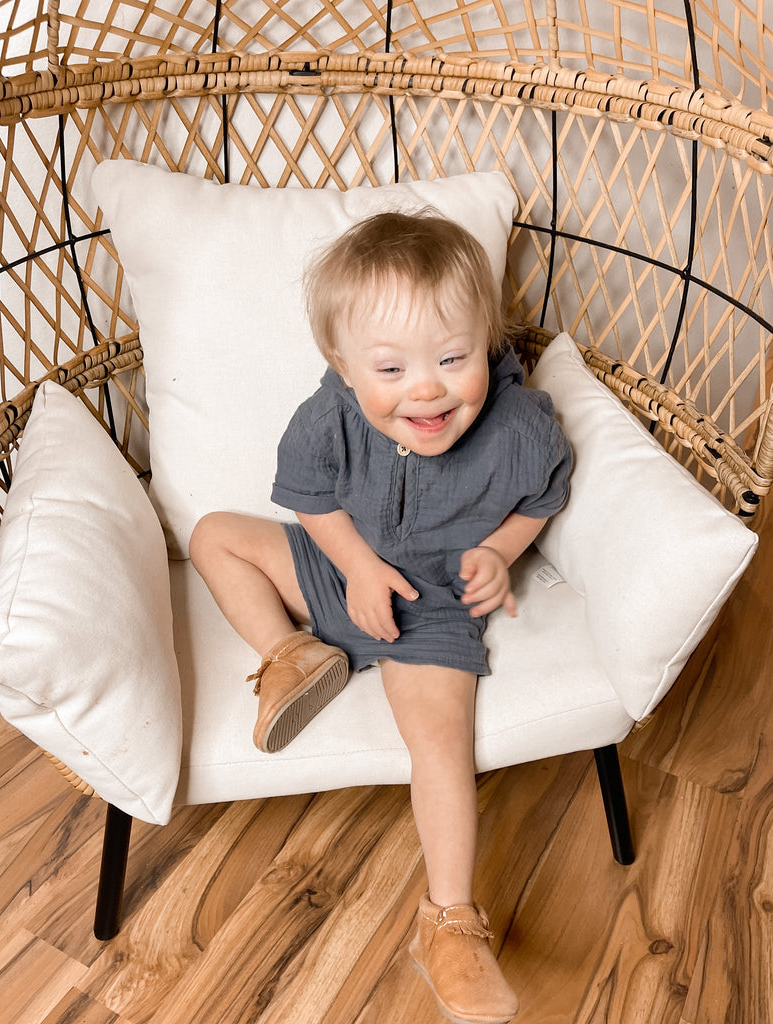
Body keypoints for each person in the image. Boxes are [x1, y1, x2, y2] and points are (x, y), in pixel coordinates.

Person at [189, 210, 572, 1024]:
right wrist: (356, 566)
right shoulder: (328, 416)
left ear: (489, 342)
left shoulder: (519, 430)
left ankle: (448, 921)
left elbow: (543, 498)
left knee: (438, 741)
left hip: (431, 606)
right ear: (344, 363)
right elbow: (310, 500)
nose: (425, 388)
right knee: (215, 536)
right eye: (391, 368)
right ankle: (291, 651)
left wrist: (501, 552)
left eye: (452, 358)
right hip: (339, 567)